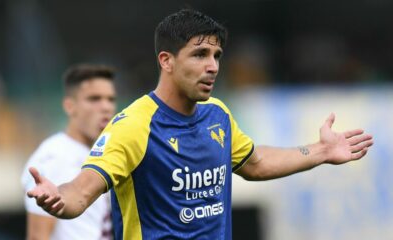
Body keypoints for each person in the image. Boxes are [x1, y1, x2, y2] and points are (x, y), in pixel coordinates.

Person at [26, 9, 373, 240]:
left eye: (217, 56)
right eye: (199, 54)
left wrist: (322, 150)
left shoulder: (217, 114)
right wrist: (59, 197)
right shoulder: (133, 125)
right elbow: (82, 190)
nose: (213, 66)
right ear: (166, 61)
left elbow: (256, 162)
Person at [21, 63, 117, 240]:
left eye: (110, 99)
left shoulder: (103, 153)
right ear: (69, 106)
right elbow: (37, 237)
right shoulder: (53, 156)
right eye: (94, 99)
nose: (106, 107)